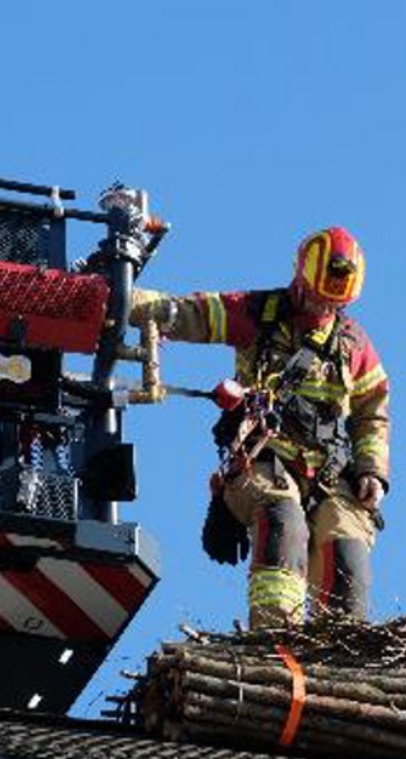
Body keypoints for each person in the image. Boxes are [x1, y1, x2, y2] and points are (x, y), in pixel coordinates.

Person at [132, 227, 391, 629]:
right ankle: (274, 639)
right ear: (300, 279)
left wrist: (373, 470)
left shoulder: (354, 344)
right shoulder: (257, 313)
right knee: (283, 523)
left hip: (329, 472)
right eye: (319, 295)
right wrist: (118, 298)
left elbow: (372, 409)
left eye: (334, 302)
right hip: (264, 461)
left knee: (347, 554)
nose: (324, 306)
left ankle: (343, 650)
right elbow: (190, 312)